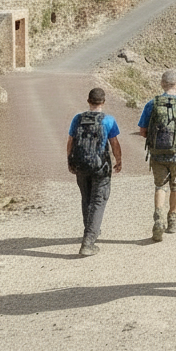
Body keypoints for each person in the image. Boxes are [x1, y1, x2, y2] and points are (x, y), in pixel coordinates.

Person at [138, 68, 176, 241]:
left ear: (162, 84)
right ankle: (172, 220)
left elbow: (142, 131)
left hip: (156, 153)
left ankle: (158, 219)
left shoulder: (152, 104)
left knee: (160, 186)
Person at [66, 87, 122, 257]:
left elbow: (70, 141)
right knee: (98, 201)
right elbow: (114, 143)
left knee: (87, 199)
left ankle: (90, 232)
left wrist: (70, 161)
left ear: (88, 101)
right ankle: (88, 242)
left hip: (81, 165)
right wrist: (119, 160)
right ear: (103, 102)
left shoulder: (78, 118)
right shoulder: (108, 120)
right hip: (100, 167)